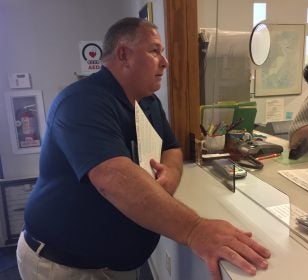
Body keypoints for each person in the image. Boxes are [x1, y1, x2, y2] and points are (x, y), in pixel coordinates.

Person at [16, 17, 270, 280]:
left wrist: (170, 173)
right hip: (66, 267)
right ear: (124, 55)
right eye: (155, 50)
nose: (165, 61)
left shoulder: (148, 102)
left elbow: (171, 147)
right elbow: (113, 179)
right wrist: (195, 230)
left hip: (118, 265)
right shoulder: (81, 102)